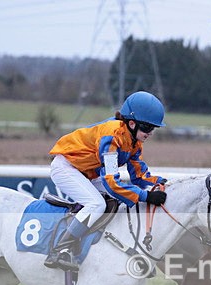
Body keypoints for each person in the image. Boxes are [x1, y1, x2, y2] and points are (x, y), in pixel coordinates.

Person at [44, 91, 168, 271]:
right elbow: (111, 182)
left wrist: (165, 184)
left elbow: (140, 176)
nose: (150, 133)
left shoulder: (134, 142)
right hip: (66, 168)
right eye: (147, 128)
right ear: (132, 123)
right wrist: (146, 196)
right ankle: (59, 250)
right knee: (97, 204)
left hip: (87, 173)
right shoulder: (111, 136)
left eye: (153, 128)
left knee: (123, 197)